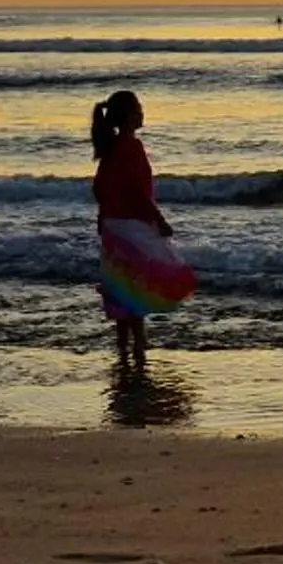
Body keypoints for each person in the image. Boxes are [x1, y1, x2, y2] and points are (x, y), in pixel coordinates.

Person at [92, 89, 189, 373]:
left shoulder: (109, 149)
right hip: (131, 225)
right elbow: (137, 192)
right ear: (130, 116)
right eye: (139, 109)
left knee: (122, 290)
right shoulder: (131, 147)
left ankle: (125, 354)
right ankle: (140, 353)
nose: (143, 113)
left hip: (112, 225)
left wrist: (104, 216)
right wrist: (158, 220)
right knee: (138, 288)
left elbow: (99, 188)